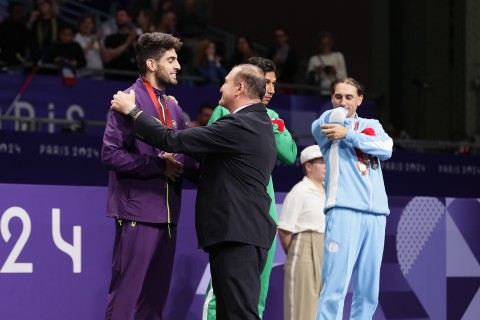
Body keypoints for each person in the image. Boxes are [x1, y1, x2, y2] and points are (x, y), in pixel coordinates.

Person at [110, 63, 278, 320]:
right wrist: (175, 119)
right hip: (237, 233)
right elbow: (204, 162)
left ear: (240, 88)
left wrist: (133, 111)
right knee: (228, 312)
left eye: (225, 82)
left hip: (240, 234)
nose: (220, 87)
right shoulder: (252, 122)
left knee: (239, 314)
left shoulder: (242, 124)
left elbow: (173, 140)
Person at [101, 32, 189, 320]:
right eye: (171, 60)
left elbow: (186, 153)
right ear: (152, 64)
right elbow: (110, 154)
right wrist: (157, 165)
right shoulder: (127, 100)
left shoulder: (173, 106)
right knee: (126, 296)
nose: (178, 66)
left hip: (168, 217)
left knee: (154, 300)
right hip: (137, 211)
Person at [202, 56, 297, 319]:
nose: (271, 90)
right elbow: (207, 153)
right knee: (222, 294)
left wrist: (269, 121)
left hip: (263, 215)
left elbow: (289, 154)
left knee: (257, 294)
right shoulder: (226, 111)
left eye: (274, 84)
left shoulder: (272, 117)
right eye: (266, 83)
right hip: (234, 212)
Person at [311, 77, 393, 319]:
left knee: (368, 291)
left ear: (360, 99)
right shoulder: (325, 123)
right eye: (338, 96)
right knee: (335, 287)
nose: (343, 101)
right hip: (344, 210)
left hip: (377, 214)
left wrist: (350, 134)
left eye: (349, 97)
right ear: (331, 98)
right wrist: (345, 127)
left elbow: (386, 148)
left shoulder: (372, 124)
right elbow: (334, 122)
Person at [278, 144, 326, 320]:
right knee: (302, 310)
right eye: (321, 162)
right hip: (305, 248)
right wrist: (295, 255)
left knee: (323, 311)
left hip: (326, 251)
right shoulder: (299, 191)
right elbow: (284, 230)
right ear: (308, 166)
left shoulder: (329, 191)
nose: (326, 166)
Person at [306, 31, 347, 96]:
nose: (325, 46)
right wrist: (317, 73)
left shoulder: (338, 56)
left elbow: (344, 76)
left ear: (331, 43)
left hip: (336, 92)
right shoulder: (314, 59)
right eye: (322, 44)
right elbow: (309, 80)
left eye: (327, 44)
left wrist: (335, 71)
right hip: (321, 92)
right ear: (318, 45)